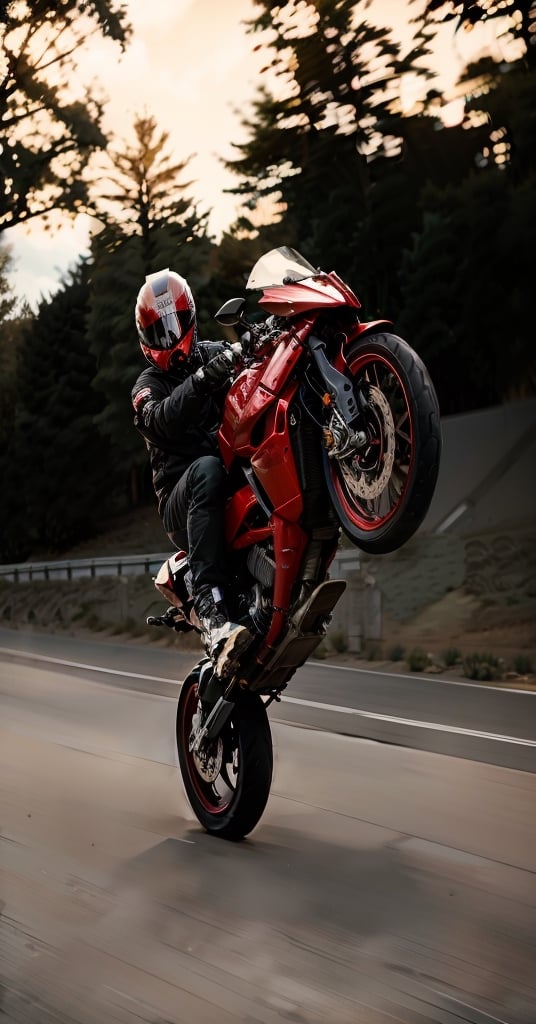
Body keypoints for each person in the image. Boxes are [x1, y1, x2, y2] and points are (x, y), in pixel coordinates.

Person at [131, 267, 251, 676]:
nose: (168, 338)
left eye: (173, 325)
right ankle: (210, 605)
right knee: (207, 469)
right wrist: (202, 381)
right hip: (180, 503)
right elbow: (162, 419)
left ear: (190, 319)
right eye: (157, 331)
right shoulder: (146, 386)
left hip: (224, 480)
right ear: (145, 338)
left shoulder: (214, 352)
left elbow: (252, 367)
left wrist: (259, 343)